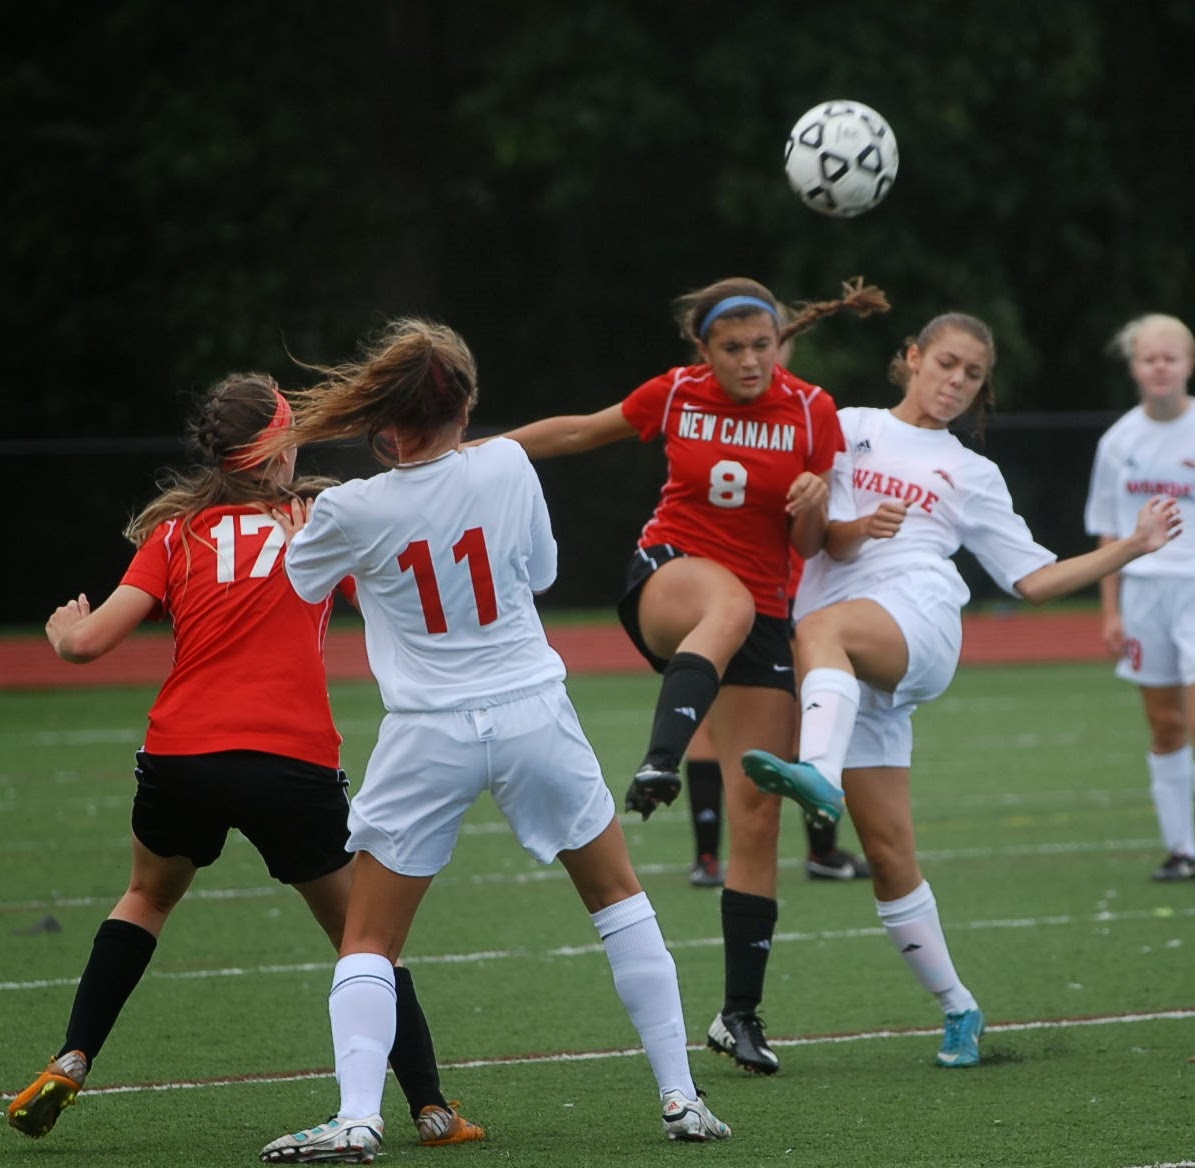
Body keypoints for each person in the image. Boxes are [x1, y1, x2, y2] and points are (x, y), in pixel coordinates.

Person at [258, 318, 730, 1164]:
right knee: (618, 900)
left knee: (368, 940)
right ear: (467, 404)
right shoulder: (508, 463)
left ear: (382, 417)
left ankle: (360, 1116)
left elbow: (304, 582)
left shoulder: (348, 507)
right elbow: (537, 573)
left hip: (427, 730)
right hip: (529, 710)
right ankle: (680, 1096)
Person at [6, 373, 481, 1150]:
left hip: (180, 756)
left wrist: (63, 632)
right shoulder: (320, 520)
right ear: (277, 447)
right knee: (367, 939)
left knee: (145, 899)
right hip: (289, 759)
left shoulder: (175, 535)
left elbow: (88, 645)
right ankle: (431, 1109)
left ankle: (71, 1057)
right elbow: (399, 598)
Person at [740, 312, 1183, 1068]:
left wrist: (1132, 547)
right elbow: (808, 532)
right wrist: (821, 507)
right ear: (910, 358)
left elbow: (1034, 580)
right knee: (887, 853)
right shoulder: (844, 427)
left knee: (820, 633)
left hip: (916, 621)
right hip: (847, 668)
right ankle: (960, 1009)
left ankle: (813, 771)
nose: (954, 381)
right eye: (944, 363)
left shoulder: (969, 472)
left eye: (971, 374)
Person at [495, 276, 889, 1075]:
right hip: (671, 575)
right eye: (732, 348)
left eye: (761, 345)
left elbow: (811, 546)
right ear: (701, 350)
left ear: (779, 341)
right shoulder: (674, 393)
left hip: (761, 614)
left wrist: (814, 504)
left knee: (757, 815)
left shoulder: (812, 410)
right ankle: (662, 756)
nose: (750, 360)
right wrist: (474, 452)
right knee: (727, 599)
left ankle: (738, 1015)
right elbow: (579, 433)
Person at [1083, 313, 1195, 881]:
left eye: (1169, 357)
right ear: (1134, 367)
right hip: (1144, 593)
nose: (1159, 367)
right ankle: (1183, 848)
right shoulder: (1118, 441)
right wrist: (1111, 610)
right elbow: (1108, 530)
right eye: (1149, 358)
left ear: (1188, 364)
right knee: (1166, 724)